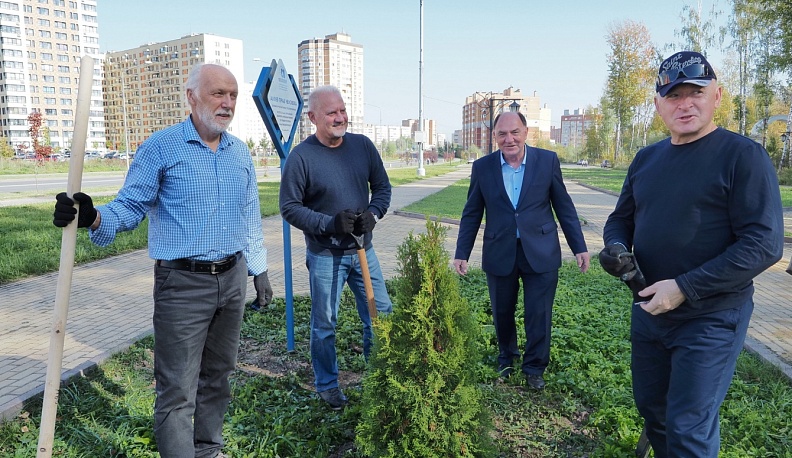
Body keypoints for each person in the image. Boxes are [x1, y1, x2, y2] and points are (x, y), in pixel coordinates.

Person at [53, 63, 273, 458]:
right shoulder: (161, 147)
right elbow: (130, 205)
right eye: (218, 93)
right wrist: (93, 216)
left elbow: (249, 214)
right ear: (191, 97)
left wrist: (259, 269)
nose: (227, 103)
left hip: (233, 276)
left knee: (218, 377)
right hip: (183, 285)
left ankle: (208, 450)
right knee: (177, 389)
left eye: (233, 95)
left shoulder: (239, 152)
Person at [600, 51, 784, 457]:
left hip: (711, 317)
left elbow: (764, 244)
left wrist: (684, 287)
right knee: (654, 412)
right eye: (674, 96)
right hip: (649, 308)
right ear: (658, 105)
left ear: (716, 96)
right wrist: (615, 248)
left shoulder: (742, 156)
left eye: (695, 93)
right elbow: (620, 220)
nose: (684, 104)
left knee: (688, 427)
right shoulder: (646, 159)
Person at [453, 111, 590, 390]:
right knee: (502, 311)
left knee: (539, 313)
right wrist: (461, 252)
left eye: (515, 132)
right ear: (494, 136)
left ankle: (535, 368)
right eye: (502, 134)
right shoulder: (482, 167)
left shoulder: (547, 161)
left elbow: (564, 206)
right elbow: (472, 213)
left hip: (541, 250)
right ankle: (507, 358)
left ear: (526, 132)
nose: (509, 139)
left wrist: (579, 247)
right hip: (499, 250)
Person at [279, 85, 393, 410]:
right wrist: (329, 224)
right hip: (326, 256)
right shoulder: (301, 157)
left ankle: (380, 378)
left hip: (364, 251)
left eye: (342, 110)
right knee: (325, 323)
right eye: (332, 113)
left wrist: (373, 214)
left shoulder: (362, 146)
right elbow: (289, 207)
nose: (340, 117)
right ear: (313, 117)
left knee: (380, 314)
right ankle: (327, 385)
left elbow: (382, 188)